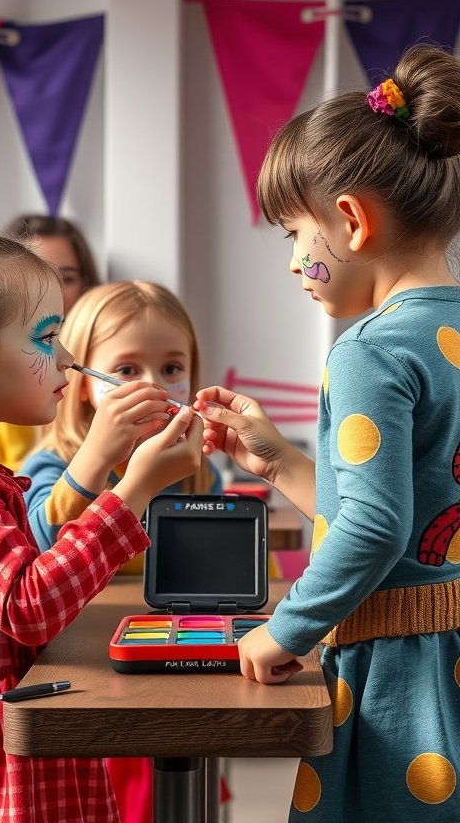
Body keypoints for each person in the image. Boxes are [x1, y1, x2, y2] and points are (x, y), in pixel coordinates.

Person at [195, 44, 460, 822]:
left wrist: (286, 629)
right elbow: (407, 506)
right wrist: (278, 461)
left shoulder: (369, 352)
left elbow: (377, 529)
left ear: (348, 219)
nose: (294, 264)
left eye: (292, 236)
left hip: (402, 677)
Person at [0, 230, 202, 823]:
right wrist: (134, 488)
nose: (65, 360)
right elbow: (28, 605)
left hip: (10, 725)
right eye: (48, 338)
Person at [20, 280, 224, 823]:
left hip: (178, 666)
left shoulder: (198, 470)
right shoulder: (50, 465)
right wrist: (92, 463)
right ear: (82, 382)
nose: (154, 385)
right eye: (128, 370)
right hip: (88, 673)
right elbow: (36, 554)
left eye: (173, 369)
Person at [0, 213, 101, 471]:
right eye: (38, 277)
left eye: (66, 278)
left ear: (86, 284)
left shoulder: (106, 369)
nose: (53, 292)